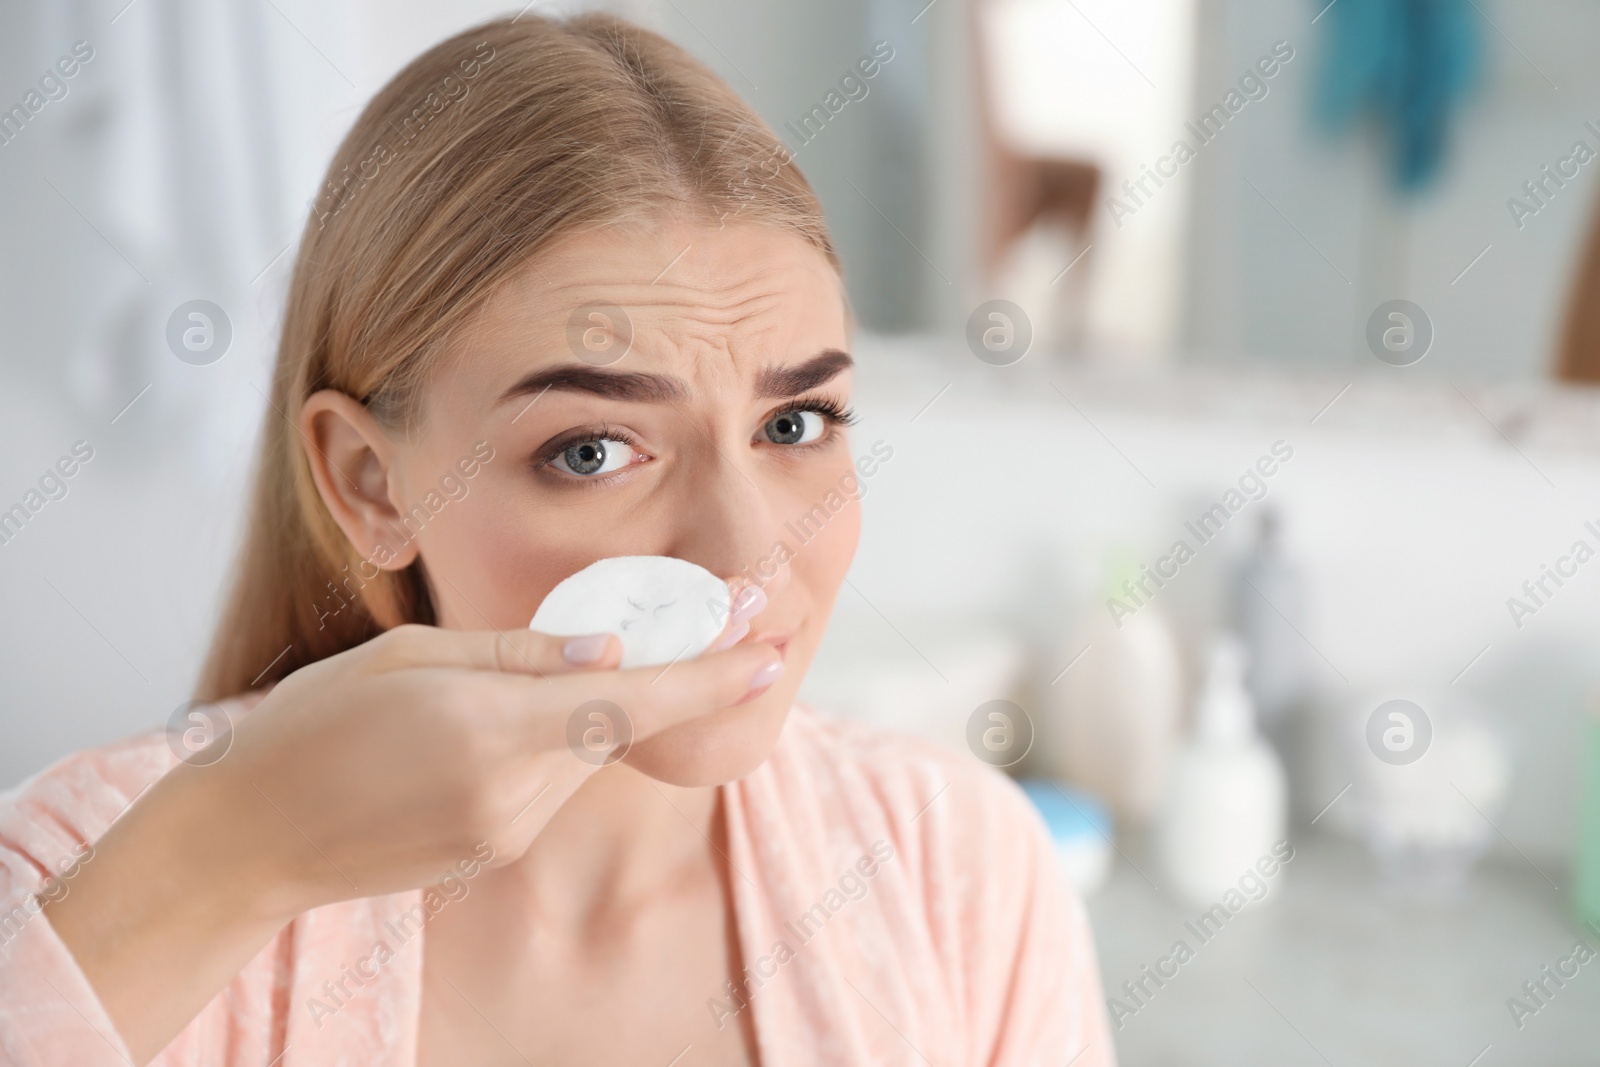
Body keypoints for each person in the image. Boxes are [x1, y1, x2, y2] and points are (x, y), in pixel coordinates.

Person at [0, 12, 1113, 1065]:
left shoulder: (954, 867)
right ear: (369, 482)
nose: (748, 557)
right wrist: (232, 855)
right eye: (592, 449)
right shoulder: (75, 869)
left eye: (793, 423)